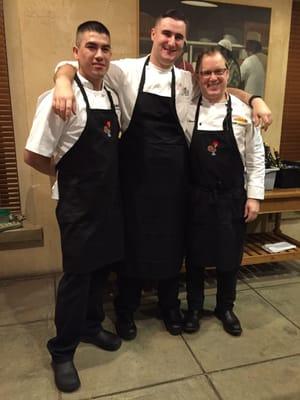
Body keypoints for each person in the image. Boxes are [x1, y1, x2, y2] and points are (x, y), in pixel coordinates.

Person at [51, 10, 272, 341]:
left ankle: (171, 307)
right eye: (166, 34)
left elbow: (222, 90)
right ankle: (125, 311)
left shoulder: (186, 78)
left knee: (173, 245)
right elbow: (75, 64)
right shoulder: (125, 70)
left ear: (183, 43)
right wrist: (62, 81)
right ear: (153, 34)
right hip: (134, 179)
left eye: (179, 37)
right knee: (132, 246)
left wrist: (255, 99)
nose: (172, 41)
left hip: (175, 181)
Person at [24, 21, 123, 393]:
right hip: (78, 204)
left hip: (109, 202)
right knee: (77, 277)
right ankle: (62, 351)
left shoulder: (111, 95)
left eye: (105, 48)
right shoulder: (60, 98)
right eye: (91, 47)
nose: (99, 55)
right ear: (76, 51)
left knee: (100, 271)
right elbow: (33, 154)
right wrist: (67, 176)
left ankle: (91, 325)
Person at [183, 47, 265, 336]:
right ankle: (193, 308)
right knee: (194, 258)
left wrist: (254, 196)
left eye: (219, 71)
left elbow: (256, 157)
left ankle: (225, 307)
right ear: (198, 76)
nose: (213, 77)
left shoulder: (244, 113)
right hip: (197, 197)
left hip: (232, 197)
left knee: (229, 256)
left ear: (228, 74)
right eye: (206, 72)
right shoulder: (187, 109)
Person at [240, 31, 267, 97]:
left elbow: (238, 78)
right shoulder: (268, 59)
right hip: (266, 101)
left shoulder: (248, 61)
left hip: (251, 101)